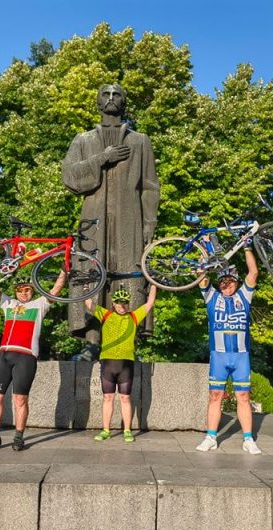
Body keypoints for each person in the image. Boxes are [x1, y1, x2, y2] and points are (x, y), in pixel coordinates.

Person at [62, 84, 160, 360]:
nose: (111, 98)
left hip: (130, 218)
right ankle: (91, 343)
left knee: (129, 275)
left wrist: (149, 223)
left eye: (116, 94)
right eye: (105, 94)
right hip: (93, 218)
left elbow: (150, 186)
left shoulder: (140, 141)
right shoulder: (83, 140)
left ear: (124, 102)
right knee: (90, 275)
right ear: (97, 101)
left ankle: (128, 343)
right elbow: (70, 177)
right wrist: (103, 158)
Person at [0, 272, 66, 452]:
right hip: (4, 355)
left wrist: (64, 271)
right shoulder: (8, 304)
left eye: (27, 290)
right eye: (20, 290)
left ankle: (18, 437)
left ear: (32, 291)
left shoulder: (40, 304)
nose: (24, 293)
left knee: (20, 399)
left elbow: (57, 289)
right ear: (15, 292)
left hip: (25, 357)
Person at [195, 243, 261, 455]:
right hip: (219, 356)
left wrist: (247, 247)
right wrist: (202, 249)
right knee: (215, 395)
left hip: (241, 357)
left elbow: (254, 272)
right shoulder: (212, 297)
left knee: (243, 397)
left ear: (236, 282)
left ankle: (248, 439)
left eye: (230, 282)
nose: (226, 285)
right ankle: (211, 437)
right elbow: (200, 275)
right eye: (222, 282)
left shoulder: (244, 296)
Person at [85, 284, 157, 443]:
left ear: (128, 303)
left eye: (124, 302)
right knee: (107, 397)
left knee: (125, 398)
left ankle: (127, 430)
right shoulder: (106, 314)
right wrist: (85, 287)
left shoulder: (134, 316)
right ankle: (105, 430)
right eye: (118, 302)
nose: (122, 306)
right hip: (108, 361)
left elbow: (150, 303)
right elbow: (89, 304)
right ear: (113, 303)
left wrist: (153, 284)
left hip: (126, 362)